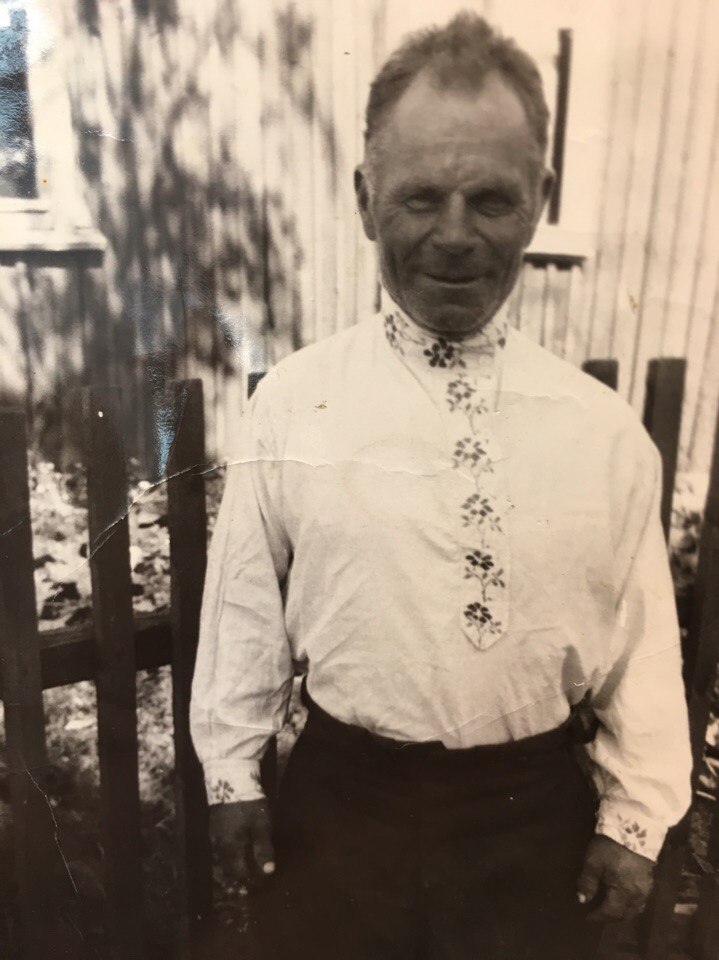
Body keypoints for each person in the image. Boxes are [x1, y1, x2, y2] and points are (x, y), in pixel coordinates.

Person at [190, 13, 692, 960]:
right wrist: (232, 774)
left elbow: (640, 646)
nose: (453, 236)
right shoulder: (295, 403)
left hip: (530, 831)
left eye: (491, 199)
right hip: (341, 819)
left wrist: (635, 819)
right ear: (364, 198)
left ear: (538, 201)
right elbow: (243, 605)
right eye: (419, 197)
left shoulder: (603, 433)